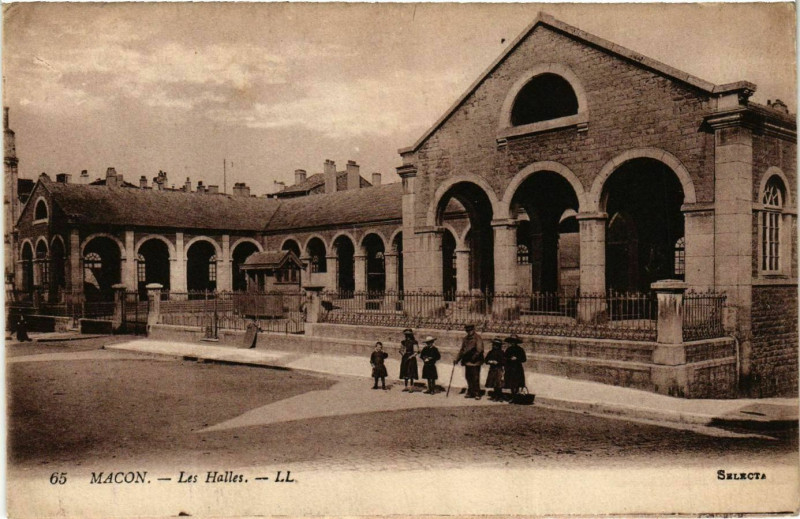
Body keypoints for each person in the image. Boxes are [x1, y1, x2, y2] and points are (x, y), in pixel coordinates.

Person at [454, 324, 484, 399]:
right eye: (467, 331)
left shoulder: (478, 338)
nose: (469, 332)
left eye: (470, 330)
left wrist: (473, 357)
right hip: (467, 361)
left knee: (475, 377)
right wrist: (457, 359)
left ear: (473, 330)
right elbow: (462, 350)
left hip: (475, 362)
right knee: (468, 377)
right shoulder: (465, 339)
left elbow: (479, 350)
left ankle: (477, 393)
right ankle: (470, 392)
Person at [504, 334, 527, 402]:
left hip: (517, 368)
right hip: (510, 368)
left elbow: (524, 359)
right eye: (511, 341)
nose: (512, 343)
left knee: (517, 383)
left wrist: (517, 359)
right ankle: (513, 395)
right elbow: (505, 357)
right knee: (511, 383)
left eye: (514, 341)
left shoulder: (520, 350)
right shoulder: (508, 349)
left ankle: (515, 396)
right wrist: (509, 359)